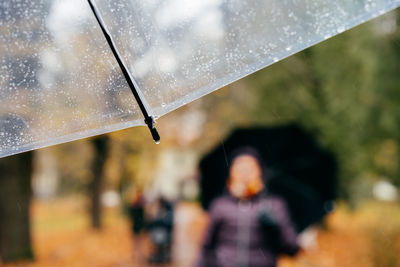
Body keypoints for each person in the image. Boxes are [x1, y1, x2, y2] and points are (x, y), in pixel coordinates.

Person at [197, 147, 299, 267]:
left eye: (250, 169)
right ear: (231, 173)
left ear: (260, 172)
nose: (244, 174)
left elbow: (292, 248)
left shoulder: (275, 204)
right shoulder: (220, 205)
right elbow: (206, 247)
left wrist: (275, 228)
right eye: (239, 169)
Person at [147, 197, 174, 264]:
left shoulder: (168, 211)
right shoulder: (159, 211)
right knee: (157, 237)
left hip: (164, 233)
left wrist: (155, 221)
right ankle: (158, 255)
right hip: (160, 233)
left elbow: (167, 223)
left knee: (160, 238)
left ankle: (161, 255)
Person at [128, 190, 146, 262]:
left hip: (136, 225)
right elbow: (143, 217)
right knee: (138, 241)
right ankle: (138, 254)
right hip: (138, 225)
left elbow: (131, 216)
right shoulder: (140, 207)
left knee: (136, 241)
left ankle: (135, 254)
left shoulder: (134, 207)